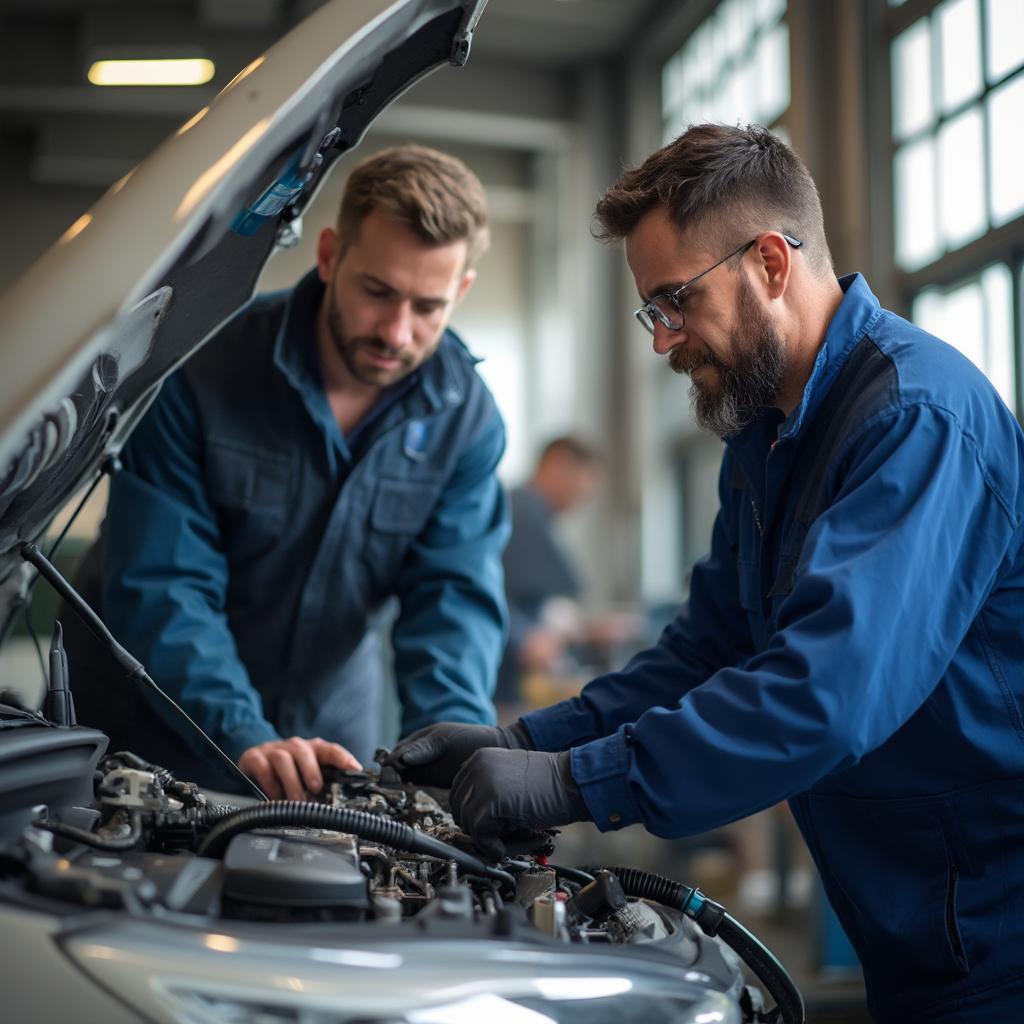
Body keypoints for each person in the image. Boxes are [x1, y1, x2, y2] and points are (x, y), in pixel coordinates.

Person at [383, 125, 1024, 1021]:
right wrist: (528, 743)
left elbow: (825, 692)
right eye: (654, 311)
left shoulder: (917, 419)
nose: (663, 340)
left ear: (769, 261)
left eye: (675, 301)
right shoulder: (764, 437)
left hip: (998, 919)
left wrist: (577, 785)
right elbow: (705, 652)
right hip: (914, 909)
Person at [65, 144, 510, 801]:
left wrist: (449, 754)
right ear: (330, 256)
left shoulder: (466, 420)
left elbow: (452, 602)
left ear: (461, 291)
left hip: (329, 728)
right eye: (377, 292)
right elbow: (166, 581)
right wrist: (242, 730)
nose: (396, 331)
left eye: (428, 307)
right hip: (154, 723)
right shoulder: (202, 364)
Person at [497, 436, 638, 713]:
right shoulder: (520, 513)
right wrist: (524, 638)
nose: (582, 499)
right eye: (580, 487)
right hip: (503, 678)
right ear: (557, 465)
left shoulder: (531, 515)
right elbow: (489, 587)